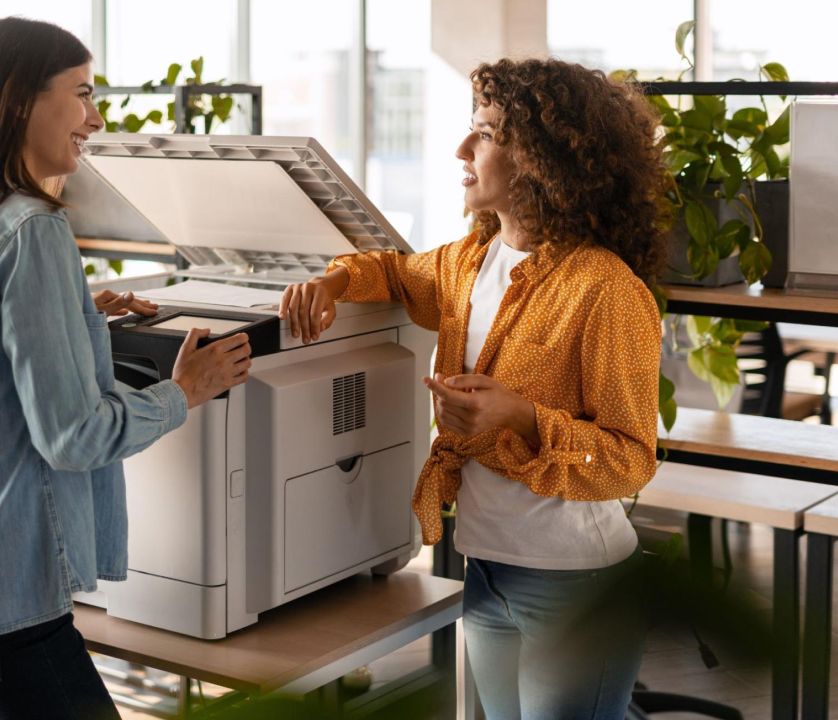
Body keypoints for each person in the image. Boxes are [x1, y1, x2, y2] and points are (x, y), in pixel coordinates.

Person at [281, 58, 668, 720]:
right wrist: (332, 282)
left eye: (485, 134)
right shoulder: (467, 261)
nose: (462, 149)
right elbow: (394, 273)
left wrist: (522, 417)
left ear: (542, 160)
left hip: (577, 583)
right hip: (486, 567)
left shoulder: (606, 290)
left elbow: (630, 460)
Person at [0, 17, 251, 720]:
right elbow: (73, 436)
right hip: (5, 599)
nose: (96, 117)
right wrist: (184, 391)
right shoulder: (33, 229)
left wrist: (77, 312)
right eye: (82, 94)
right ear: (19, 101)